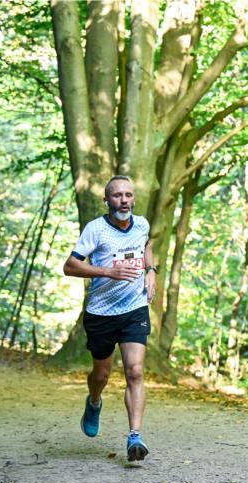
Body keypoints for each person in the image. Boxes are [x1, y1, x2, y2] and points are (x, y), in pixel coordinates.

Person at [63, 175, 157, 461]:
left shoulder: (141, 224)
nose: (124, 200)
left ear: (134, 198)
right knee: (101, 375)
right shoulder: (96, 229)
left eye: (128, 195)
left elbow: (147, 245)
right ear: (107, 200)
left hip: (135, 309)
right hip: (101, 313)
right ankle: (94, 402)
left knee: (135, 371)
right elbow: (70, 266)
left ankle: (135, 436)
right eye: (117, 195)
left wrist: (151, 271)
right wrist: (108, 272)